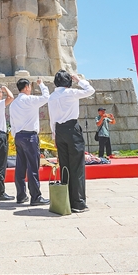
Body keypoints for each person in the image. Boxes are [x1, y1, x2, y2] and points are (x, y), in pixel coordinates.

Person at [47, 71, 94, 212]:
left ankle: (66, 200)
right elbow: (90, 90)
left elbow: (52, 118)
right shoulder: (71, 93)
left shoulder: (52, 97)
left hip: (59, 131)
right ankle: (78, 203)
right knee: (77, 166)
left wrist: (55, 136)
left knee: (65, 166)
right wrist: (79, 80)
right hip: (72, 129)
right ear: (68, 82)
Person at [9, 78, 50, 205]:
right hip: (30, 136)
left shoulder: (13, 104)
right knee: (33, 166)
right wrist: (41, 84)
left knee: (20, 166)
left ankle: (21, 195)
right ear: (26, 87)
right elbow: (46, 97)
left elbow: (12, 122)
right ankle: (35, 196)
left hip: (18, 136)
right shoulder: (30, 100)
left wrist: (15, 135)